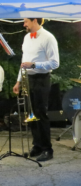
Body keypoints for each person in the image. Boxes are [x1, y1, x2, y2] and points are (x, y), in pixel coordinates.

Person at [13, 18, 59, 162]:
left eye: (26, 21)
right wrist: (18, 81)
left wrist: (34, 65)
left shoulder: (48, 37)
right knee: (30, 113)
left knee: (41, 113)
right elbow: (23, 60)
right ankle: (37, 145)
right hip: (28, 78)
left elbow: (55, 63)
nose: (24, 24)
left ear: (34, 20)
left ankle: (47, 149)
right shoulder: (27, 37)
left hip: (41, 79)